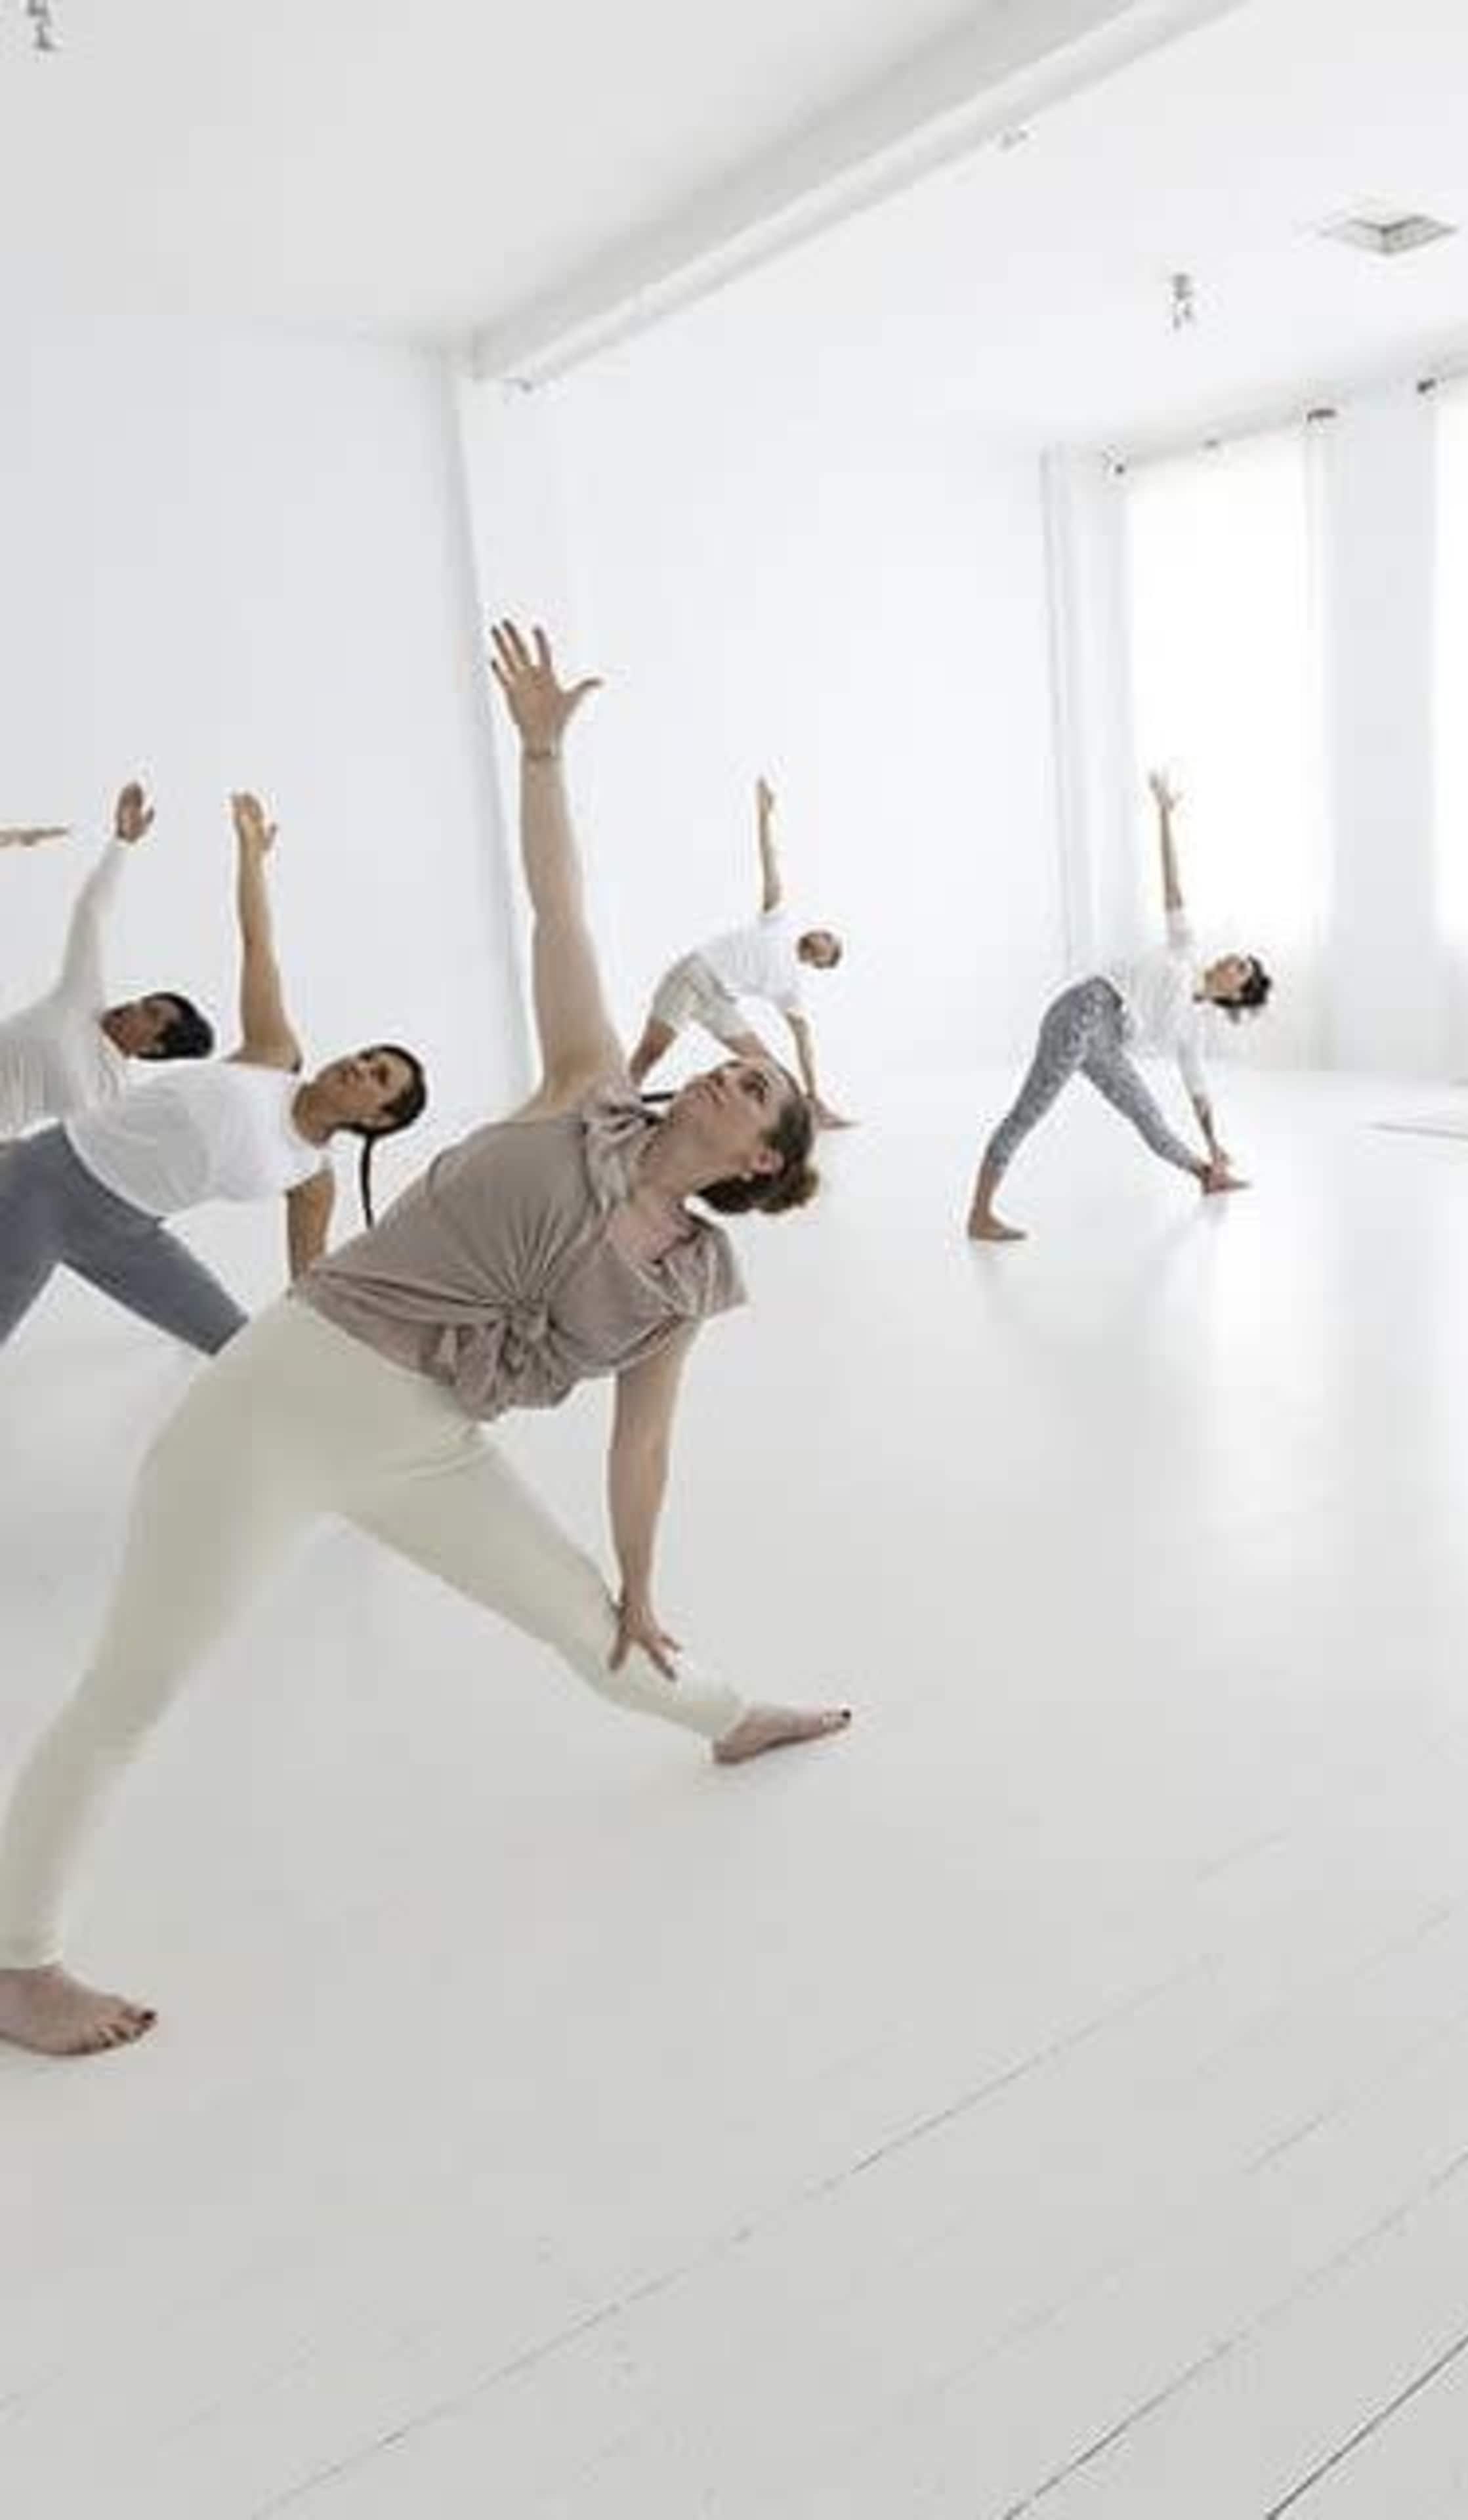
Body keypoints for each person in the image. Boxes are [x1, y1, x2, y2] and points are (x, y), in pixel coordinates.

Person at [0, 626, 851, 2059]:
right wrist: (540, 754)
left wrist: (643, 1579)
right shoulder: (586, 1093)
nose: (728, 1066)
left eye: (752, 1084)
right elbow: (559, 918)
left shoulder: (690, 1277)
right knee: (135, 1687)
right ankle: (15, 1958)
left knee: (595, 1627)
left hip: (429, 1444)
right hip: (288, 1397)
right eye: (733, 1059)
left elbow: (647, 1438)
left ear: (757, 1162)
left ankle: (726, 1715)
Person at [0, 791, 425, 1360]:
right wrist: (251, 855)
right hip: (47, 1184)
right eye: (368, 1054)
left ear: (377, 1117)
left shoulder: (312, 1182)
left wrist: (355, 1343)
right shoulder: (275, 1053)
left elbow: (309, 1282)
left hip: (127, 1234)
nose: (358, 1063)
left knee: (237, 1351)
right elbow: (258, 946)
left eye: (377, 1075)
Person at [967, 770, 1271, 1242]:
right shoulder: (1185, 949)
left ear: (1235, 994)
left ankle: (1208, 1175)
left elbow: (1198, 1090)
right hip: (1086, 1008)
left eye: (1243, 971)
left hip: (1109, 1040)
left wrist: (1214, 1144)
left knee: (1149, 1117)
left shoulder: (1193, 1026)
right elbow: (1172, 886)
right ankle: (980, 1215)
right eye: (1240, 959)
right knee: (1029, 1112)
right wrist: (1164, 816)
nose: (1235, 961)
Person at [627, 777, 849, 1127]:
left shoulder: (790, 988)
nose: (822, 940)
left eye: (828, 948)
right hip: (696, 974)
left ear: (820, 964)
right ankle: (616, 1107)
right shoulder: (777, 922)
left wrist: (814, 1092)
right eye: (824, 934)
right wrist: (763, 816)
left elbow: (803, 1039)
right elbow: (770, 864)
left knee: (770, 1071)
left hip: (720, 1001)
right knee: (651, 1052)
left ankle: (798, 1116)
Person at [0, 782, 215, 1140]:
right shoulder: (82, 1000)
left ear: (153, 1047)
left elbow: (90, 1161)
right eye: (145, 1002)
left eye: (150, 1014)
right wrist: (122, 844)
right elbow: (92, 912)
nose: (134, 1005)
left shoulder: (110, 1096)